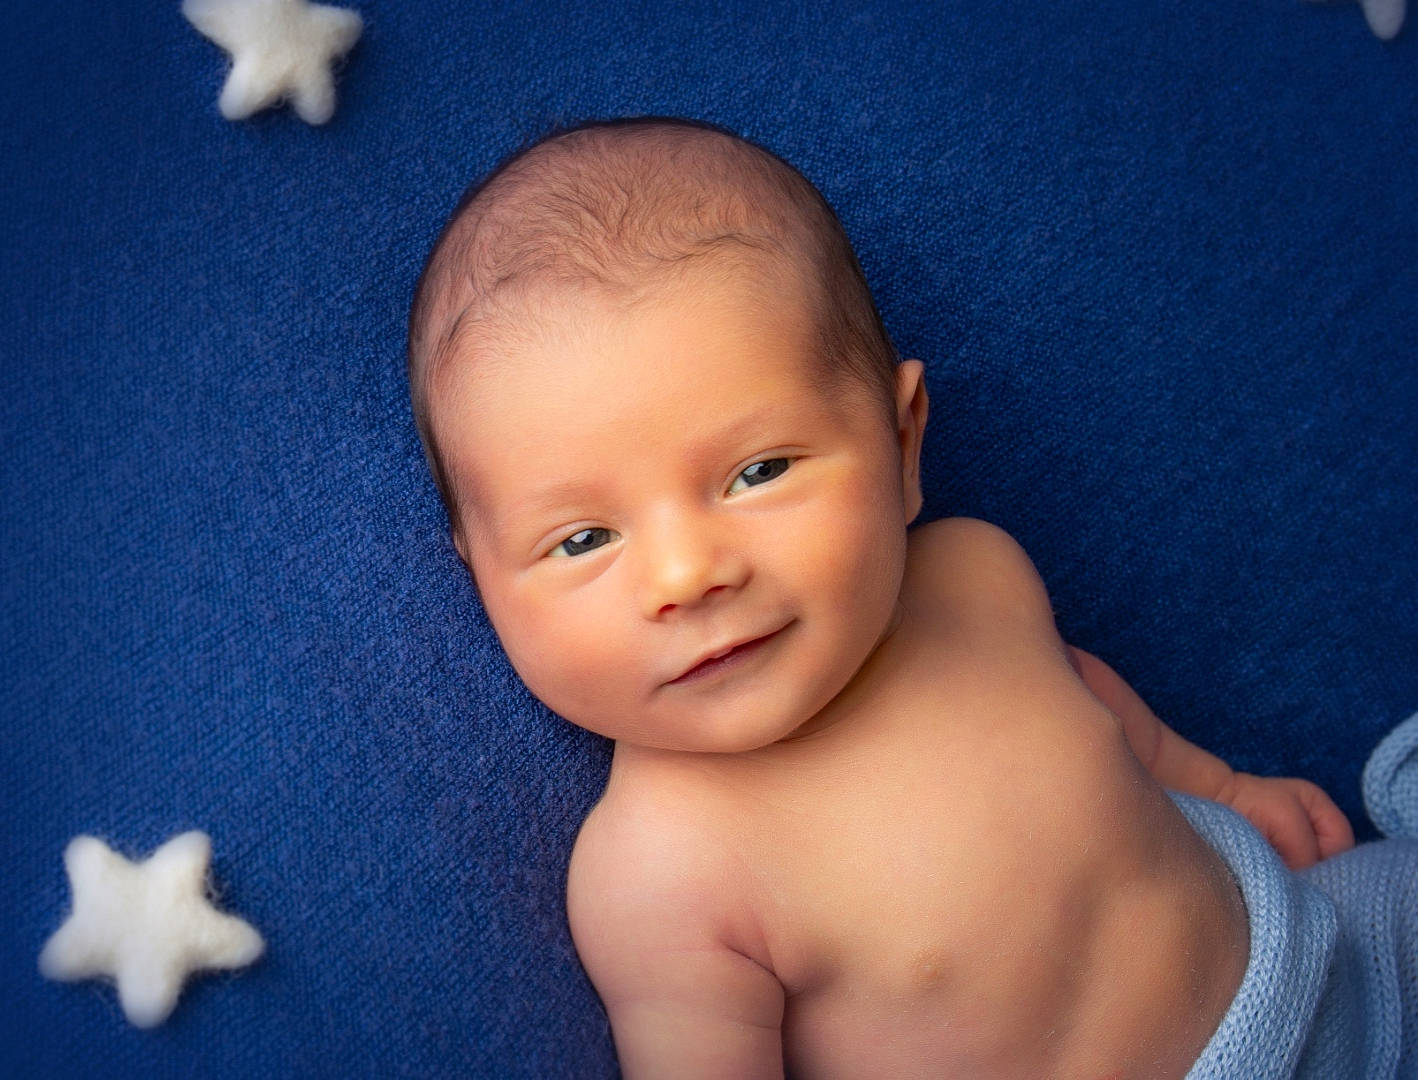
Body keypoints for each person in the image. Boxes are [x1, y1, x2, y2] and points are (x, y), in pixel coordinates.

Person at [405, 117, 1378, 1078]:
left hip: (1318, 958)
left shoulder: (975, 576)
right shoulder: (660, 873)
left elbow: (1089, 712)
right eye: (581, 540)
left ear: (902, 442)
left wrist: (1224, 789)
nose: (686, 575)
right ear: (479, 579)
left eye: (758, 472)